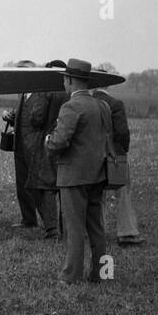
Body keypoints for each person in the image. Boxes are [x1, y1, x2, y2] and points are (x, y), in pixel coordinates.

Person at [45, 59, 112, 284]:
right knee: (97, 227)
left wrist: (48, 141)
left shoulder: (71, 106)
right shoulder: (101, 105)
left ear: (70, 81)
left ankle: (70, 276)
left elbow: (59, 142)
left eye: (65, 79)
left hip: (73, 176)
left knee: (74, 230)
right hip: (99, 174)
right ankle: (102, 273)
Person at [21, 67, 68, 242]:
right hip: (68, 145)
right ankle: (67, 230)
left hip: (48, 143)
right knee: (66, 189)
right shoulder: (71, 93)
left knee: (47, 188)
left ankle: (52, 230)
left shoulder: (46, 91)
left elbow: (36, 117)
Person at [92, 83, 141, 246]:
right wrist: (121, 155)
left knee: (98, 197)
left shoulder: (87, 103)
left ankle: (98, 233)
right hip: (115, 157)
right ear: (109, 85)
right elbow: (122, 133)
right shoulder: (115, 104)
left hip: (92, 158)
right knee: (123, 194)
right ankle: (127, 232)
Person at [2, 61, 43, 228]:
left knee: (37, 186)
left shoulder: (41, 93)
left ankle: (49, 224)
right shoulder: (22, 94)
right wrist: (10, 115)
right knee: (22, 185)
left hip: (34, 147)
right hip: (19, 146)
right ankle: (28, 219)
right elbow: (22, 114)